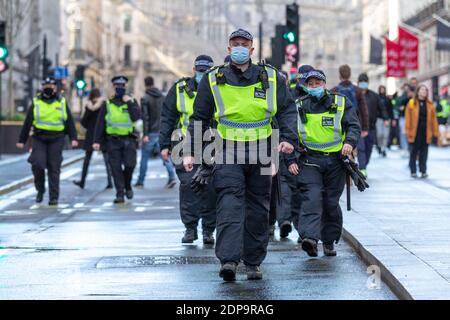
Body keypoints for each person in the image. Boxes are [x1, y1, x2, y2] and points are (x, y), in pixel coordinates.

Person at [184, 29, 297, 281]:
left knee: (259, 207)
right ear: (228, 48)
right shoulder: (214, 79)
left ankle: (254, 262)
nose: (239, 48)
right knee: (229, 204)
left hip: (263, 150)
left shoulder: (271, 77)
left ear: (252, 50)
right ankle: (229, 261)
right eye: (235, 44)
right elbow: (199, 118)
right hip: (227, 150)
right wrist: (193, 153)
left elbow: (288, 109)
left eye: (244, 44)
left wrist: (289, 138)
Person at [288, 69, 361, 257]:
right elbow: (289, 134)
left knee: (330, 202)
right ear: (305, 86)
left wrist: (349, 143)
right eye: (310, 84)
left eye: (317, 83)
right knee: (311, 198)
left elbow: (353, 125)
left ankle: (328, 241)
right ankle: (310, 239)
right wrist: (290, 159)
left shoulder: (341, 102)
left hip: (335, 161)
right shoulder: (299, 106)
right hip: (310, 160)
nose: (314, 87)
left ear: (324, 83)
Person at [159, 55, 217, 245]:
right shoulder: (179, 89)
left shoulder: (218, 88)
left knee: (209, 188)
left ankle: (208, 230)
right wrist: (164, 145)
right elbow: (168, 117)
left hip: (210, 143)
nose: (202, 74)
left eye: (206, 71)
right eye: (200, 71)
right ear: (194, 70)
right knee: (188, 187)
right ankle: (190, 228)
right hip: (183, 144)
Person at [17, 77, 78, 206]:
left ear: (55, 87)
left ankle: (53, 197)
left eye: (51, 85)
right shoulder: (36, 102)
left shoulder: (61, 102)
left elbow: (69, 121)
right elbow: (28, 121)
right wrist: (21, 140)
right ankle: (40, 189)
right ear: (42, 87)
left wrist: (73, 138)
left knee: (54, 167)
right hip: (39, 138)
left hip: (57, 138)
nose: (49, 88)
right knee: (38, 165)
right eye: (46, 85)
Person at [93, 76, 141, 204]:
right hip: (112, 141)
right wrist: (97, 141)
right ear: (113, 87)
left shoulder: (132, 101)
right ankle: (120, 193)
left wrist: (129, 103)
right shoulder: (107, 104)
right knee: (115, 168)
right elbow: (100, 123)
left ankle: (128, 185)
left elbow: (137, 118)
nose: (120, 88)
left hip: (129, 139)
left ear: (126, 87)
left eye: (122, 86)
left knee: (130, 165)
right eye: (117, 86)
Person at [135, 76, 177, 188]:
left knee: (144, 157)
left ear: (145, 84)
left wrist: (145, 134)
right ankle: (172, 177)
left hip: (151, 132)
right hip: (163, 131)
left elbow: (145, 117)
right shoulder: (163, 97)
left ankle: (140, 181)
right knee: (165, 155)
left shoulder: (145, 98)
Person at [73, 88, 113, 190]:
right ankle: (110, 182)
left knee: (87, 160)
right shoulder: (104, 105)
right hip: (102, 135)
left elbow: (84, 122)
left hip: (91, 135)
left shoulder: (89, 106)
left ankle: (82, 181)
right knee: (107, 159)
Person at [356, 73, 389, 177]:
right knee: (361, 148)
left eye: (365, 82)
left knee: (369, 148)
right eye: (361, 82)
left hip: (371, 127)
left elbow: (382, 108)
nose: (363, 84)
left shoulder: (374, 96)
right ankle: (362, 168)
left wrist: (386, 118)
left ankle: (364, 165)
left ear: (368, 83)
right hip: (358, 127)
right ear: (358, 83)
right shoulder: (355, 95)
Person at [405, 85, 439, 179]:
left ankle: (423, 171)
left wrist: (435, 133)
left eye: (425, 90)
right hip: (415, 132)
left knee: (424, 153)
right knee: (413, 152)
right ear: (418, 91)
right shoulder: (412, 103)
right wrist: (408, 132)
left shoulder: (430, 104)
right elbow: (408, 119)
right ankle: (413, 171)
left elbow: (434, 120)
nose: (424, 92)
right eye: (422, 90)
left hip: (426, 132)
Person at [333, 65, 369, 140]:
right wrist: (365, 128)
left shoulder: (334, 91)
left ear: (339, 75)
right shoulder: (358, 90)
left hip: (338, 126)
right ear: (350, 75)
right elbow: (364, 111)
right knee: (353, 148)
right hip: (354, 125)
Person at [377, 85, 393, 157]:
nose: (382, 91)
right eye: (381, 89)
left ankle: (383, 149)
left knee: (386, 135)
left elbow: (390, 109)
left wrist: (391, 119)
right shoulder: (377, 98)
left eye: (383, 89)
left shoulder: (388, 99)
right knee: (379, 134)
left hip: (387, 119)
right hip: (379, 118)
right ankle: (379, 146)